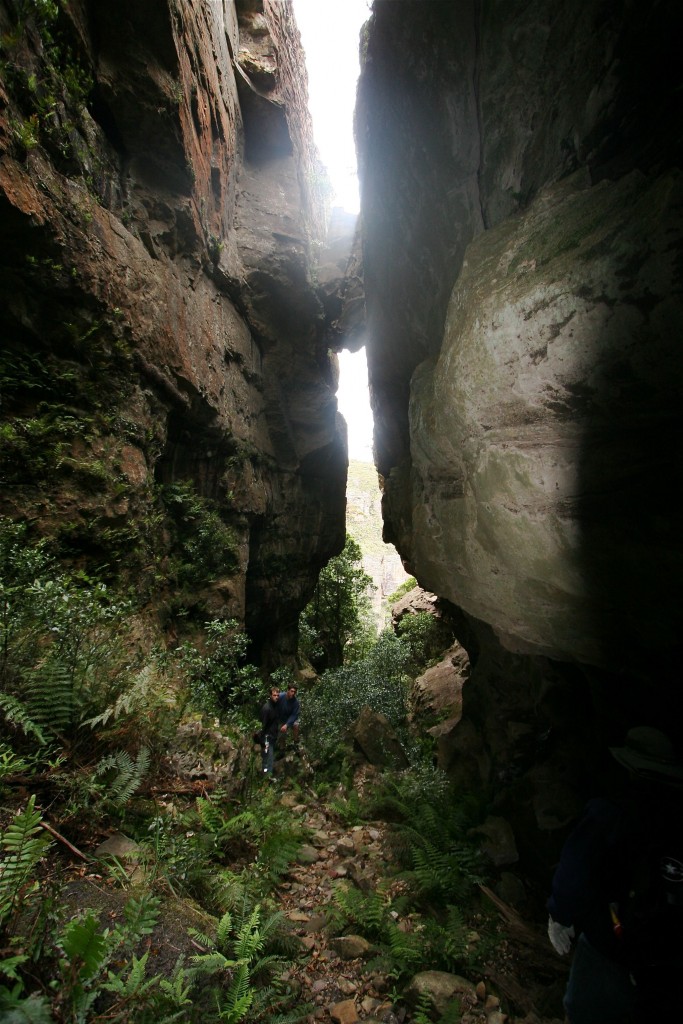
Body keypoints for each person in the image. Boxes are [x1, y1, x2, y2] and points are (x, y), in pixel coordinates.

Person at [547, 726, 683, 1023]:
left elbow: (575, 870)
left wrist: (560, 914)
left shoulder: (612, 809)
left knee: (584, 1013)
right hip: (666, 954)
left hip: (610, 944)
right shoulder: (675, 816)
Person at [259, 686, 280, 777]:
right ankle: (266, 776)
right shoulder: (267, 708)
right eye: (274, 695)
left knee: (269, 757)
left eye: (277, 695)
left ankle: (267, 776)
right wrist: (262, 740)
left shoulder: (276, 707)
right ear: (270, 695)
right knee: (268, 758)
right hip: (267, 737)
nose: (276, 697)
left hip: (273, 736)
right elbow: (262, 725)